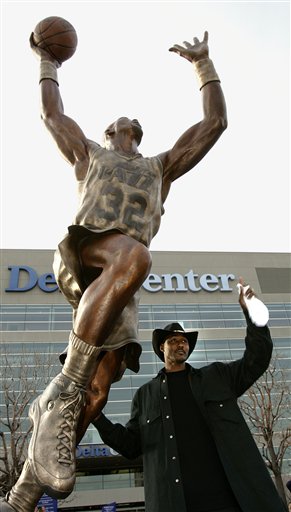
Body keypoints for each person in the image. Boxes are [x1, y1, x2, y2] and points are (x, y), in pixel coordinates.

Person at [0, 29, 227, 512]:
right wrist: (48, 63)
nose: (129, 122)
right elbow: (51, 114)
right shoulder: (89, 155)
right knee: (135, 257)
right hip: (85, 254)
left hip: (120, 284)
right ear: (108, 130)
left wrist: (203, 65)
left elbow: (215, 123)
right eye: (120, 121)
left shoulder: (160, 167)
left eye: (134, 123)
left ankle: (26, 487)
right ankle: (60, 390)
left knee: (98, 390)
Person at [92, 280, 287, 512]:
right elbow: (130, 445)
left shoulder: (217, 377)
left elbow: (258, 357)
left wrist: (252, 313)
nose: (180, 345)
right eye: (173, 341)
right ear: (161, 349)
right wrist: (96, 415)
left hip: (232, 501)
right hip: (176, 503)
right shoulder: (146, 396)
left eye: (183, 341)